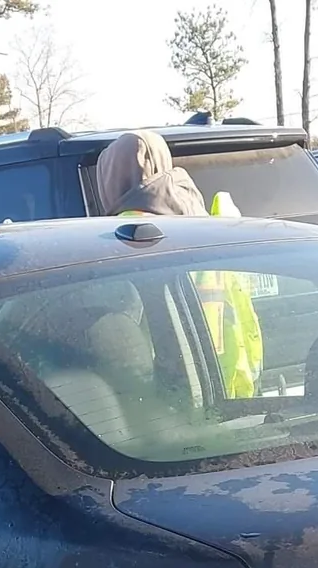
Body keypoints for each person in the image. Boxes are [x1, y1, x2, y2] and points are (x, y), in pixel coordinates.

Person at [93, 131, 264, 398]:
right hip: (232, 388)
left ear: (110, 180)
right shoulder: (209, 225)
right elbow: (242, 317)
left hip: (168, 398)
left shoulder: (120, 240)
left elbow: (124, 351)